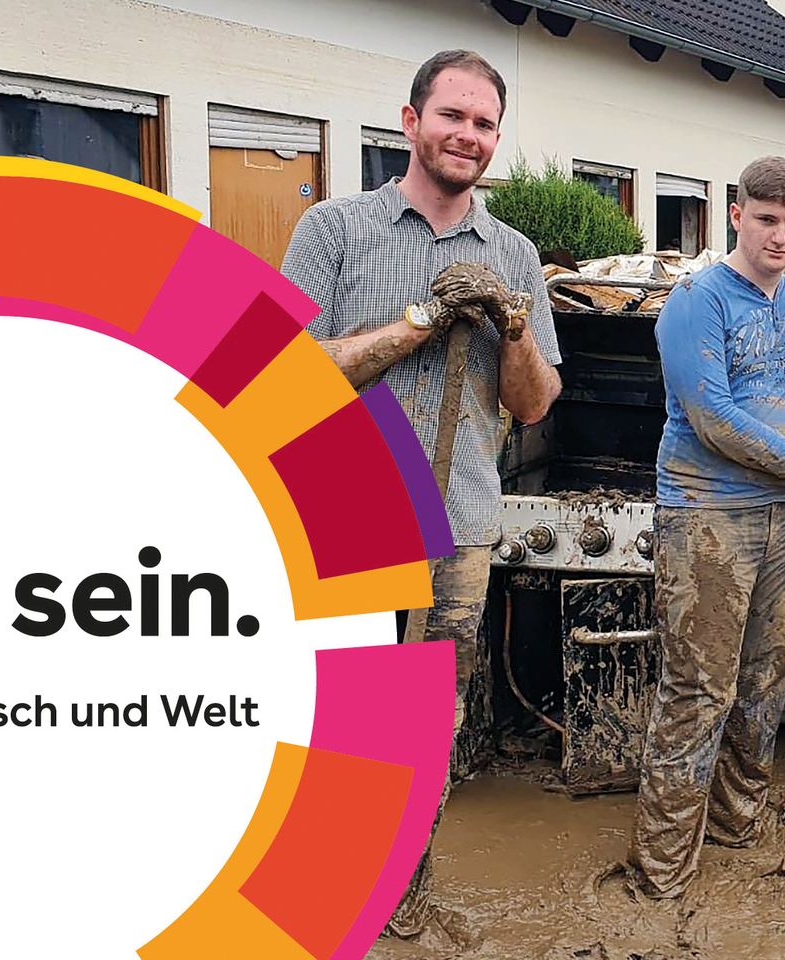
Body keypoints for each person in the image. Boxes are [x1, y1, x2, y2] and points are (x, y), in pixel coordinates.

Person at [281, 49, 562, 937]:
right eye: (452, 117)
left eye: (484, 125)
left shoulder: (514, 254)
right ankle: (322, 897)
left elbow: (533, 404)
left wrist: (511, 325)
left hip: (461, 525)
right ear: (410, 122)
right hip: (340, 525)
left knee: (430, 723)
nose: (467, 136)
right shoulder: (334, 230)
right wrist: (422, 322)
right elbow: (283, 377)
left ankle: (406, 896)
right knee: (337, 719)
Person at [627, 157, 785, 899]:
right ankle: (662, 868)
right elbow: (712, 418)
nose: (782, 236)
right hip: (708, 514)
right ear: (737, 213)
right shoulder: (696, 300)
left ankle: (737, 825)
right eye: (767, 219)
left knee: (768, 676)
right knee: (700, 687)